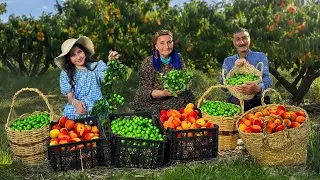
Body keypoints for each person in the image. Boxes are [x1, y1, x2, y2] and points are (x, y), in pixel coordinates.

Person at [55, 36, 118, 119]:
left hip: (96, 104)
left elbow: (107, 77)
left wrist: (111, 62)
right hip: (78, 104)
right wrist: (76, 103)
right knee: (68, 112)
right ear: (69, 59)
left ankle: (96, 124)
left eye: (79, 52)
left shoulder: (96, 67)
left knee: (98, 110)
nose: (78, 57)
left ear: (84, 52)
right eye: (73, 55)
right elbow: (70, 97)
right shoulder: (66, 73)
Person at [133, 30, 195, 112]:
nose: (166, 46)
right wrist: (163, 93)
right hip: (154, 102)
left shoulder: (178, 57)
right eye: (162, 43)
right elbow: (145, 91)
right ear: (156, 46)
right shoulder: (148, 62)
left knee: (188, 106)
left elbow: (184, 79)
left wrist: (181, 87)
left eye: (169, 42)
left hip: (175, 99)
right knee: (156, 112)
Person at [222, 28, 272, 111]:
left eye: (244, 38)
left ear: (249, 39)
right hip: (236, 103)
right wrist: (234, 68)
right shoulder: (228, 61)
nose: (241, 42)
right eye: (237, 39)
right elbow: (223, 87)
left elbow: (268, 80)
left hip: (259, 101)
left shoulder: (260, 57)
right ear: (234, 42)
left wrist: (258, 88)